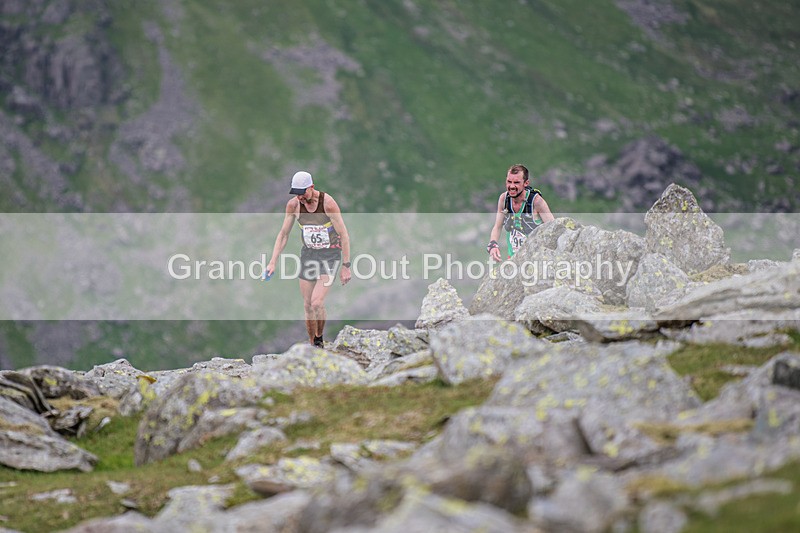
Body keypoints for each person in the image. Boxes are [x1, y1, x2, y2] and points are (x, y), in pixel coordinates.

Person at [266, 171, 351, 347]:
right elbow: (283, 234)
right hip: (309, 255)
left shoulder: (328, 204)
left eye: (302, 193)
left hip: (330, 256)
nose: (300, 198)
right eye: (296, 194)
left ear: (311, 187)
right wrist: (273, 261)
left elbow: (343, 235)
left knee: (317, 302)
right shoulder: (293, 206)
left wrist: (346, 266)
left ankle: (319, 338)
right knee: (307, 306)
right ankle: (313, 344)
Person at [487, 164, 555, 261]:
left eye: (516, 182)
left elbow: (555, 229)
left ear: (526, 183)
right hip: (513, 259)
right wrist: (493, 245)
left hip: (535, 259)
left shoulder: (537, 202)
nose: (512, 186)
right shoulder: (504, 199)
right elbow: (497, 227)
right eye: (509, 182)